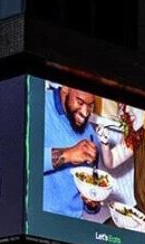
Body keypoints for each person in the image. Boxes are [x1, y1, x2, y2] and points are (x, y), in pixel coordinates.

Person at [98, 105, 145, 236]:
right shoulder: (139, 135)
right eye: (123, 106)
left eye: (130, 105)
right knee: (104, 232)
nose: (125, 111)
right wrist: (104, 143)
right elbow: (111, 161)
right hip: (141, 217)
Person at [42, 84, 101, 218]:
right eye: (80, 102)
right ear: (65, 88)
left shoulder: (91, 136)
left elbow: (90, 204)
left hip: (71, 225)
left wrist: (92, 203)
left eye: (90, 106)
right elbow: (18, 161)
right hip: (36, 220)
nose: (85, 113)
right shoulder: (39, 105)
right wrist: (68, 154)